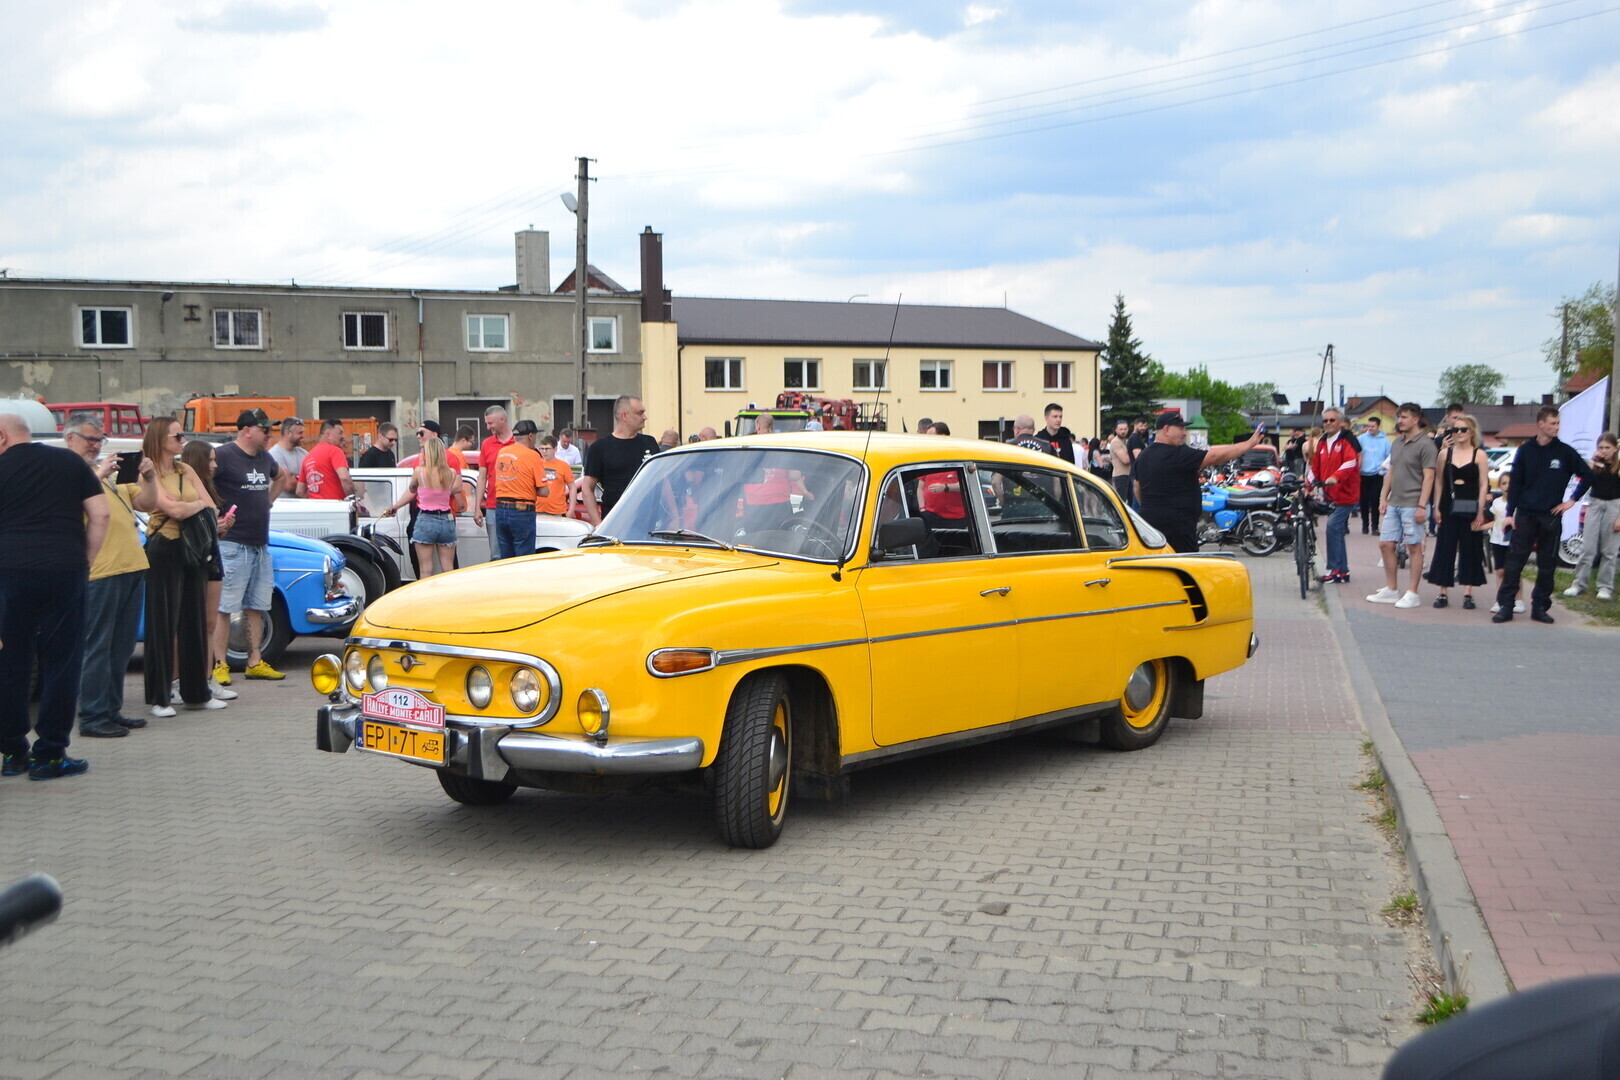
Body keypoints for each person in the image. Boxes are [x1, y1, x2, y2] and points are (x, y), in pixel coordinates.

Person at [0, 411, 107, 781]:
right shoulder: (68, 462)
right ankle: (49, 755)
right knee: (62, 661)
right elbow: (101, 515)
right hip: (64, 570)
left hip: (9, 573)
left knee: (11, 661)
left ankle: (12, 752)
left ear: (1, 438)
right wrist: (85, 562)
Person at [65, 414, 155, 738]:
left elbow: (148, 502)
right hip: (101, 571)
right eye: (90, 439)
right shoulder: (68, 471)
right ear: (70, 438)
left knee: (122, 646)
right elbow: (67, 513)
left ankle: (111, 710)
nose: (95, 445)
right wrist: (99, 475)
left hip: (130, 566)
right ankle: (91, 716)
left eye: (100, 440)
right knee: (98, 646)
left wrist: (150, 476)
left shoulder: (110, 475)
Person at [139, 418, 226, 718]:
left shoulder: (185, 470)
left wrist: (196, 507)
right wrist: (196, 507)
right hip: (164, 546)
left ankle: (197, 692)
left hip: (192, 547)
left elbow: (211, 506)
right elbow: (172, 509)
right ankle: (160, 697)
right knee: (162, 622)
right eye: (177, 435)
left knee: (194, 619)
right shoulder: (148, 473)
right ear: (161, 439)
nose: (182, 440)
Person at [1494, 406, 1596, 624]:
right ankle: (1506, 606)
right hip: (1525, 514)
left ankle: (1540, 606)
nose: (1556, 427)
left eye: (1558, 423)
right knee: (1515, 562)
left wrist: (1571, 501)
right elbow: (1516, 485)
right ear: (1541, 424)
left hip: (1550, 516)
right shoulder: (1525, 450)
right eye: (1553, 423)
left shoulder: (1565, 452)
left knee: (1547, 564)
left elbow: (1587, 475)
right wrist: (1510, 513)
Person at [213, 408, 287, 681]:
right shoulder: (223, 456)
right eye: (265, 430)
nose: (270, 435)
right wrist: (213, 514)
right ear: (246, 430)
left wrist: (268, 500)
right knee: (225, 607)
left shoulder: (265, 458)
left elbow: (283, 476)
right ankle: (219, 664)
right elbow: (200, 480)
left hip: (259, 545)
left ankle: (254, 661)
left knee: (257, 606)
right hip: (232, 545)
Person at [1134, 414, 1266, 553]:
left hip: (1151, 527)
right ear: (1166, 429)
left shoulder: (1143, 455)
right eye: (1180, 428)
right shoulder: (1177, 454)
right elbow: (1215, 456)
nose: (1184, 433)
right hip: (1179, 530)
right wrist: (1249, 444)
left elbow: (1137, 486)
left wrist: (1151, 508)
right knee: (1185, 569)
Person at [180, 439, 238, 701]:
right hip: (194, 559)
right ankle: (185, 680)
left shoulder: (210, 491)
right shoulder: (188, 488)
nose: (214, 465)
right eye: (210, 460)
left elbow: (210, 533)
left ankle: (208, 677)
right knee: (195, 622)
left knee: (211, 621)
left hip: (212, 556)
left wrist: (222, 528)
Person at [1367, 403, 1438, 610]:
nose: (1400, 421)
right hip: (1394, 502)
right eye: (1399, 417)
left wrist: (1422, 505)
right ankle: (1391, 589)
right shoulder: (1397, 443)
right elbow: (1391, 470)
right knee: (1386, 544)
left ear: (1416, 419)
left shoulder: (1425, 445)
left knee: (1414, 547)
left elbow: (1429, 476)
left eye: (1404, 417)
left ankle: (1413, 592)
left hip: (1413, 503)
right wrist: (1383, 498)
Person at [1423, 414, 1489, 609]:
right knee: (1445, 547)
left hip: (1470, 505)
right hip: (1448, 505)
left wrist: (1480, 511)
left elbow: (1484, 484)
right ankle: (1442, 592)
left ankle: (1468, 592)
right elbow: (1439, 481)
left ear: (1471, 432)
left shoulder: (1479, 455)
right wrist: (1436, 506)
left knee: (1470, 548)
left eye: (1463, 430)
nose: (1458, 433)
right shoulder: (1445, 454)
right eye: (1455, 430)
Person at [382, 435, 464, 577]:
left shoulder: (420, 471)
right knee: (448, 568)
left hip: (425, 519)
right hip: (446, 519)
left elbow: (412, 488)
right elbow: (458, 488)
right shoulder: (450, 473)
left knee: (425, 569)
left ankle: (424, 598)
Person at [579, 395, 661, 526]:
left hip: (649, 522)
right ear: (624, 416)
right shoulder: (600, 448)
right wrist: (598, 523)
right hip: (616, 523)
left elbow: (663, 480)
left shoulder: (649, 443)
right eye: (640, 413)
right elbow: (587, 488)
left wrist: (673, 516)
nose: (645, 417)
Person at [1564, 432, 1620, 602]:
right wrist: (1594, 461)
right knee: (1588, 548)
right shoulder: (1594, 464)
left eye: (1607, 448)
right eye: (1601, 447)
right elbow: (1584, 479)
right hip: (1595, 504)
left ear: (1615, 448)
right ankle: (1579, 583)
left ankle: (1604, 586)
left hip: (1614, 505)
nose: (1604, 451)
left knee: (1609, 551)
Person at [1312, 408, 1361, 584]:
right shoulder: (1323, 442)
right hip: (1330, 494)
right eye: (1325, 421)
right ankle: (1343, 571)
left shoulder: (1347, 440)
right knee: (1337, 532)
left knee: (1332, 527)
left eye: (1332, 420)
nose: (1328, 424)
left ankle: (1333, 569)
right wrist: (1307, 484)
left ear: (1340, 422)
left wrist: (1336, 477)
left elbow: (1351, 462)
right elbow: (1315, 466)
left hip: (1345, 494)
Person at [490, 420, 547, 559]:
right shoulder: (533, 455)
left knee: (506, 558)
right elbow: (544, 491)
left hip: (501, 509)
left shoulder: (502, 453)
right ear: (530, 436)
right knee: (523, 559)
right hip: (522, 511)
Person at [472, 406, 515, 550]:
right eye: (487, 423)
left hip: (516, 505)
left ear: (502, 420)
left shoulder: (518, 442)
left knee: (518, 555)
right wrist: (477, 507)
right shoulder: (487, 444)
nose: (488, 427)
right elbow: (482, 477)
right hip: (493, 506)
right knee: (496, 554)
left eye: (490, 423)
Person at [297, 419, 354, 499]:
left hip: (316, 507)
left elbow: (300, 491)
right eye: (340, 433)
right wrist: (352, 499)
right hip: (335, 507)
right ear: (327, 435)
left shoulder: (308, 457)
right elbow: (344, 478)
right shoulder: (335, 451)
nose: (343, 436)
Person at [1357, 416, 1390, 534]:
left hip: (1377, 474)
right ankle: (1365, 524)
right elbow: (1357, 454)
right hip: (1363, 474)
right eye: (1369, 426)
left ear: (1378, 427)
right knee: (1364, 501)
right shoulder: (1361, 439)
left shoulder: (1385, 441)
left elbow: (1388, 458)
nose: (1370, 428)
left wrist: (1383, 472)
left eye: (1373, 426)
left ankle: (1375, 526)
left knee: (1375, 500)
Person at [536, 435, 575, 519]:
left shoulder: (563, 466)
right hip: (537, 510)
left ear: (555, 449)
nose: (544, 451)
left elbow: (572, 487)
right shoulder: (536, 464)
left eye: (547, 449)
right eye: (541, 448)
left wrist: (571, 509)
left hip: (557, 511)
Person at [1107, 420, 1133, 503]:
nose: (1123, 431)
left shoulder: (1125, 441)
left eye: (1125, 429)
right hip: (1121, 475)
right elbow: (1125, 460)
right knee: (1122, 502)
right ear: (1116, 430)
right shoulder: (1115, 442)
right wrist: (1135, 452)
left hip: (1128, 474)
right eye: (1121, 429)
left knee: (1131, 502)